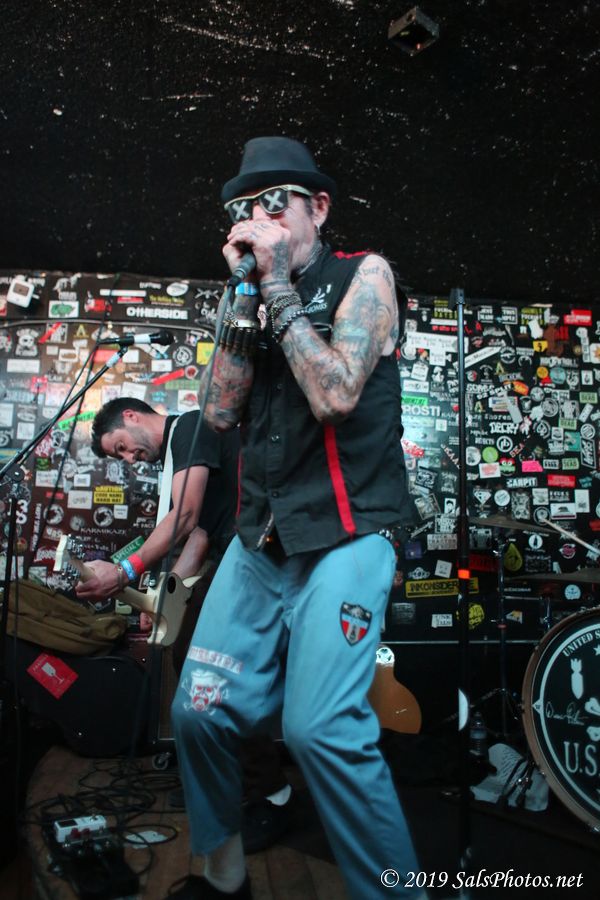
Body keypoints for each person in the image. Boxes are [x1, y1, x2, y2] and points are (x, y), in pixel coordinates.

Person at [170, 136, 421, 900]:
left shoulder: (364, 275)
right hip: (261, 537)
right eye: (247, 208)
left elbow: (337, 394)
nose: (260, 218)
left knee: (320, 730)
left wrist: (277, 284)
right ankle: (225, 877)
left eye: (276, 203)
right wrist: (243, 294)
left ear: (319, 209)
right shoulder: (250, 295)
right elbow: (218, 413)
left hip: (348, 533)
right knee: (197, 712)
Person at [76, 398, 292, 849]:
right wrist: (165, 596)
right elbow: (199, 534)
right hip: (229, 556)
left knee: (211, 670)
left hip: (256, 556)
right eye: (120, 456)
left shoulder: (192, 426)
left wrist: (124, 571)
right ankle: (235, 779)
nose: (129, 459)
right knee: (190, 658)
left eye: (122, 447)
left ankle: (272, 793)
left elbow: (187, 515)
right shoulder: (179, 453)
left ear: (131, 416)